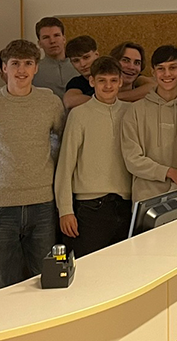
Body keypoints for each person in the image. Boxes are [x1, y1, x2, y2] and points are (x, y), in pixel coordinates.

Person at [0, 39, 66, 291]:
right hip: (1, 205)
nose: (22, 70)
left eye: (28, 63)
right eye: (15, 63)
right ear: (4, 68)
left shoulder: (50, 103)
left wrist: (48, 166)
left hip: (42, 203)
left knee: (47, 279)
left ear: (36, 68)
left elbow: (60, 138)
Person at [55, 56, 132, 258]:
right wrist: (65, 210)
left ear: (121, 82)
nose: (108, 86)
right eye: (102, 80)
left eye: (113, 80)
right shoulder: (79, 114)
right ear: (91, 81)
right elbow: (65, 165)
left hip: (125, 205)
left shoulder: (130, 112)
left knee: (122, 268)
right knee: (87, 269)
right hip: (90, 208)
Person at [121, 45, 177, 211]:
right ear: (153, 72)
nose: (167, 74)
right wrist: (169, 172)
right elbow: (132, 159)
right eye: (161, 69)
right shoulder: (135, 110)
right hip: (146, 202)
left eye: (172, 68)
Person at [33, 17, 79, 98]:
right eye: (46, 37)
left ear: (64, 39)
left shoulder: (81, 66)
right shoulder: (33, 70)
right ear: (39, 43)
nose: (52, 41)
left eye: (56, 35)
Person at [61, 35, 101, 110]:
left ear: (96, 55)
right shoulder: (76, 82)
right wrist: (106, 99)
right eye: (76, 61)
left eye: (86, 57)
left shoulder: (112, 74)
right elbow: (69, 101)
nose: (82, 64)